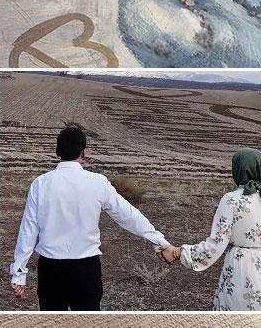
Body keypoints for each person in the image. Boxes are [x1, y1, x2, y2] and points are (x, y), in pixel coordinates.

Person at [9, 126, 170, 310]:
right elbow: (128, 215)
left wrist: (19, 273)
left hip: (51, 270)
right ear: (84, 152)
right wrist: (159, 241)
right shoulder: (98, 182)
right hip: (86, 269)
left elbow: (28, 231)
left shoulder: (41, 184)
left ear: (57, 151)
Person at [158, 148, 261, 311]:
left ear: (238, 170)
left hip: (244, 269)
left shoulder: (231, 200)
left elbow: (216, 244)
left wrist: (178, 253)